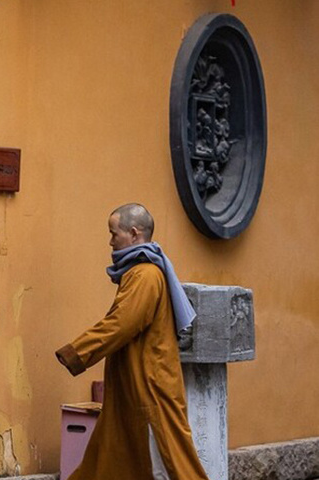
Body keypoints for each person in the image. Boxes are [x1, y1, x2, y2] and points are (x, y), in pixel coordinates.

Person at [55, 203, 210, 480]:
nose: (110, 241)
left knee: (170, 465)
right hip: (133, 389)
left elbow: (122, 324)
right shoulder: (140, 272)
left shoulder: (145, 275)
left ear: (134, 233)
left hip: (148, 390)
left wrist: (77, 352)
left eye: (114, 234)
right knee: (104, 463)